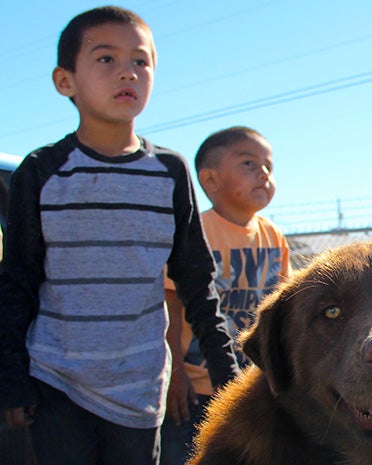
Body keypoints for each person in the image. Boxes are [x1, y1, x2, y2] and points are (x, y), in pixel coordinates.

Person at [0, 7, 240, 465]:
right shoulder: (42, 171)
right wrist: (12, 378)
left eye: (141, 61)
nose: (127, 71)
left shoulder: (169, 172)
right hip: (57, 383)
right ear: (65, 81)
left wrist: (226, 373)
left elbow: (196, 280)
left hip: (140, 390)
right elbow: (17, 280)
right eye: (106, 59)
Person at [160, 126, 292, 465]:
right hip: (194, 387)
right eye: (249, 163)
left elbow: (284, 311)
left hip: (251, 385)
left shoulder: (273, 235)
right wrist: (174, 374)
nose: (263, 173)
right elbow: (170, 309)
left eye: (268, 166)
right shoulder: (195, 232)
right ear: (211, 180)